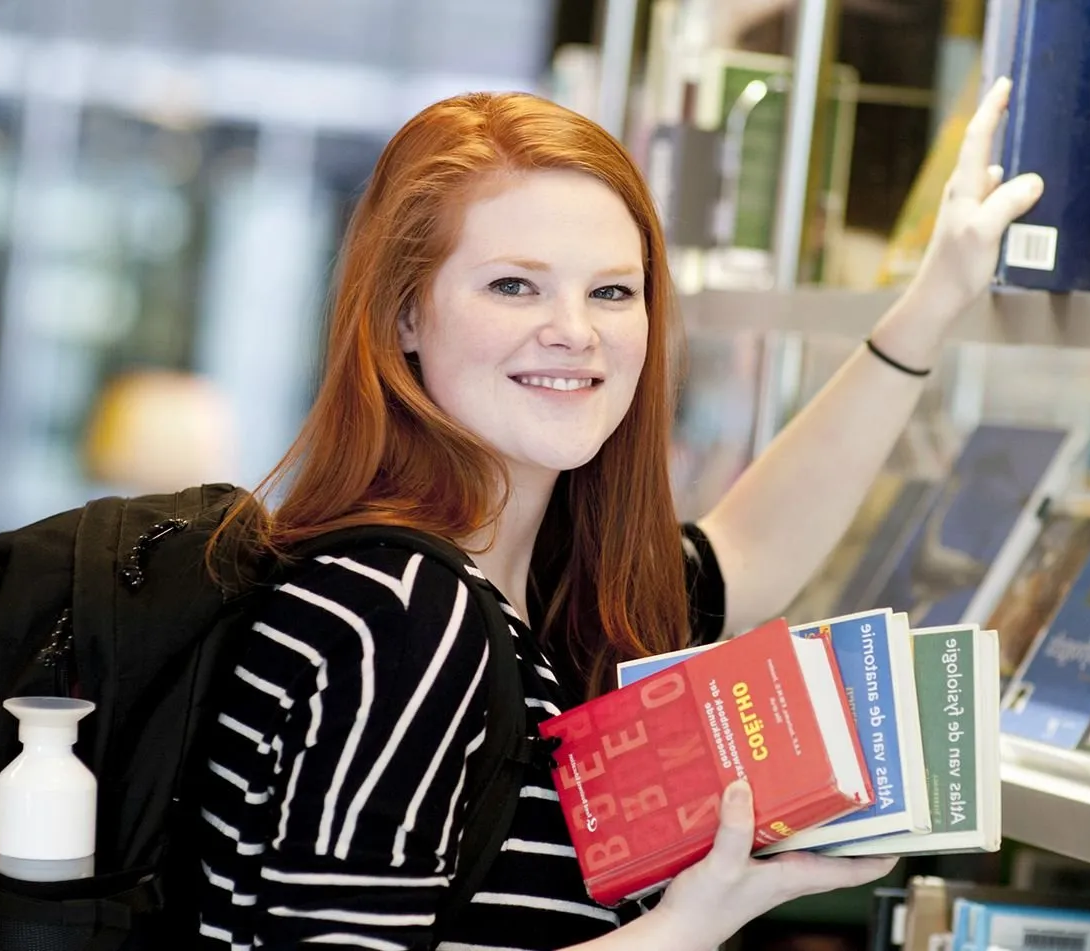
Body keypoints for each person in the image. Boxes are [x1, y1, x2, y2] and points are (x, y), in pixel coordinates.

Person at [195, 80, 1043, 950]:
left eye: (611, 292)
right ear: (405, 313)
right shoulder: (406, 613)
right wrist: (690, 925)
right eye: (515, 286)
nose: (575, 331)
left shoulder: (544, 583)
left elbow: (746, 553)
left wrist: (933, 300)